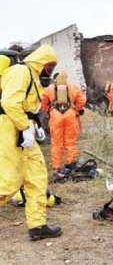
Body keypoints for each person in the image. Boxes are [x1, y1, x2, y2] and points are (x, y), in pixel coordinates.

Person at [0, 44, 62, 241]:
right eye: (49, 65)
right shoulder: (20, 71)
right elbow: (10, 103)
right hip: (9, 128)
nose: (50, 70)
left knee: (36, 177)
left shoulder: (34, 77)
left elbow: (29, 106)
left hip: (23, 129)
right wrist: (23, 126)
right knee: (8, 183)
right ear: (42, 61)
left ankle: (37, 226)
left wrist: (34, 125)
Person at [41, 71, 86, 179]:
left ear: (55, 79)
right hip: (70, 114)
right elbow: (82, 100)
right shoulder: (73, 87)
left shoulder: (48, 89)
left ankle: (57, 167)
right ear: (67, 78)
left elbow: (43, 103)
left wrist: (49, 111)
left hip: (55, 116)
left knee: (56, 143)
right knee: (70, 142)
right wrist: (77, 109)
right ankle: (71, 163)